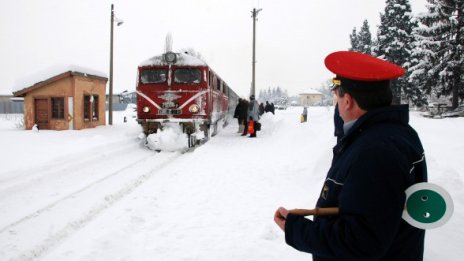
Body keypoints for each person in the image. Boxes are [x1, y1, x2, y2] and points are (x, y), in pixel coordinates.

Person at [274, 51, 428, 261]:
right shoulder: (392, 134)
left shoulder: (375, 153)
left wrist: (296, 230)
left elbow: (361, 242)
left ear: (347, 101)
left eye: (337, 97)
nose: (336, 104)